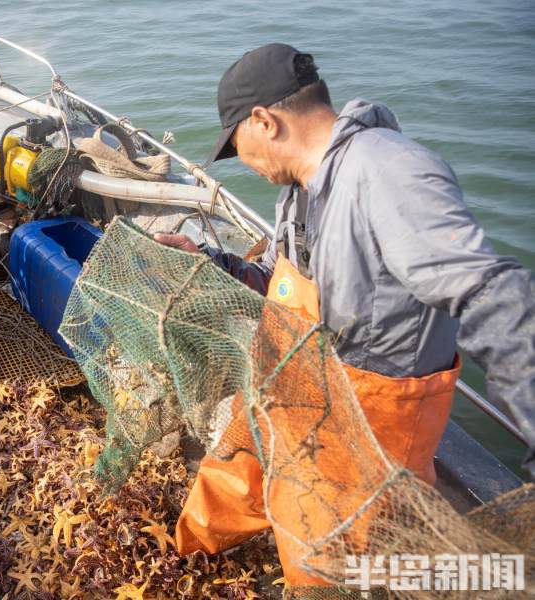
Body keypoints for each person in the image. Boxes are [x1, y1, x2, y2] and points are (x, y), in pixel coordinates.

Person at [155, 43, 534, 585]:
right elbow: (298, 288)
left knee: (326, 556)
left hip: (369, 422)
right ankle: (179, 554)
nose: (243, 162)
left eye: (237, 146)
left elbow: (493, 293)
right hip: (296, 379)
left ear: (264, 121)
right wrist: (215, 265)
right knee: (235, 462)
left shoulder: (389, 172)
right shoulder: (303, 187)